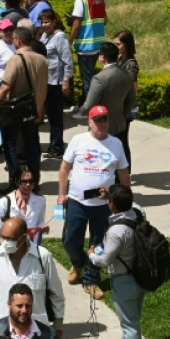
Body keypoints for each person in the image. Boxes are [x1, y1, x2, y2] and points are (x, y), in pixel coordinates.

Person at [59, 105, 130, 300]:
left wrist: (125, 200)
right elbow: (64, 168)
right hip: (77, 201)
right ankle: (78, 261)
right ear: (89, 122)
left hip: (103, 206)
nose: (102, 123)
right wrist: (61, 194)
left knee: (98, 244)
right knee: (69, 240)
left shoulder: (116, 143)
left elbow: (123, 173)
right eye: (97, 120)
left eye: (104, 119)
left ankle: (91, 280)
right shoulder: (78, 140)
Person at [89, 184, 147, 339]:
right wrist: (113, 196)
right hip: (139, 277)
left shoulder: (116, 231)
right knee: (131, 319)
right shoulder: (137, 214)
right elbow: (135, 205)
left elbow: (104, 261)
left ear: (112, 205)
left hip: (124, 281)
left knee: (130, 324)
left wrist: (91, 255)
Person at [0, 27, 47, 187]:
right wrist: (40, 110)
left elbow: (5, 87)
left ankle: (15, 182)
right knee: (32, 147)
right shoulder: (42, 60)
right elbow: (44, 88)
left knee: (12, 146)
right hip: (33, 111)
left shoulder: (15, 59)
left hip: (15, 112)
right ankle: (34, 181)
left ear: (18, 40)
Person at [83, 42, 137, 169]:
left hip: (100, 126)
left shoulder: (99, 78)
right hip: (120, 125)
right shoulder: (127, 75)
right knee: (119, 159)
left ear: (102, 57)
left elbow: (89, 104)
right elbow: (131, 101)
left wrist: (81, 113)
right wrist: (121, 116)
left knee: (100, 163)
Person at [69, 0, 106, 119]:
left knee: (87, 80)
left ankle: (87, 111)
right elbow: (105, 19)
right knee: (90, 77)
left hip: (85, 46)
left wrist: (69, 41)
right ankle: (84, 104)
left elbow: (76, 24)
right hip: (98, 44)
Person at [38, 9, 71, 158]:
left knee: (56, 117)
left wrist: (66, 81)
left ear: (54, 21)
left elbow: (67, 61)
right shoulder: (45, 36)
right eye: (42, 22)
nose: (44, 25)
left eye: (46, 22)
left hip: (56, 82)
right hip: (46, 81)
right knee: (50, 116)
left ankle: (57, 148)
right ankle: (53, 145)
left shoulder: (60, 37)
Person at [0, 166, 48, 244]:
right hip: (11, 246)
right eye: (24, 181)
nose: (28, 185)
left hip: (32, 245)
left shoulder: (40, 200)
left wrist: (43, 227)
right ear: (16, 181)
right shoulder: (5, 202)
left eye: (31, 181)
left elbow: (40, 221)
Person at [113, 30, 139, 169]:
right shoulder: (119, 59)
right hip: (118, 105)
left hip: (125, 107)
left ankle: (126, 171)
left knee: (122, 139)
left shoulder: (131, 63)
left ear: (126, 45)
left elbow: (132, 86)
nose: (116, 47)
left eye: (118, 44)